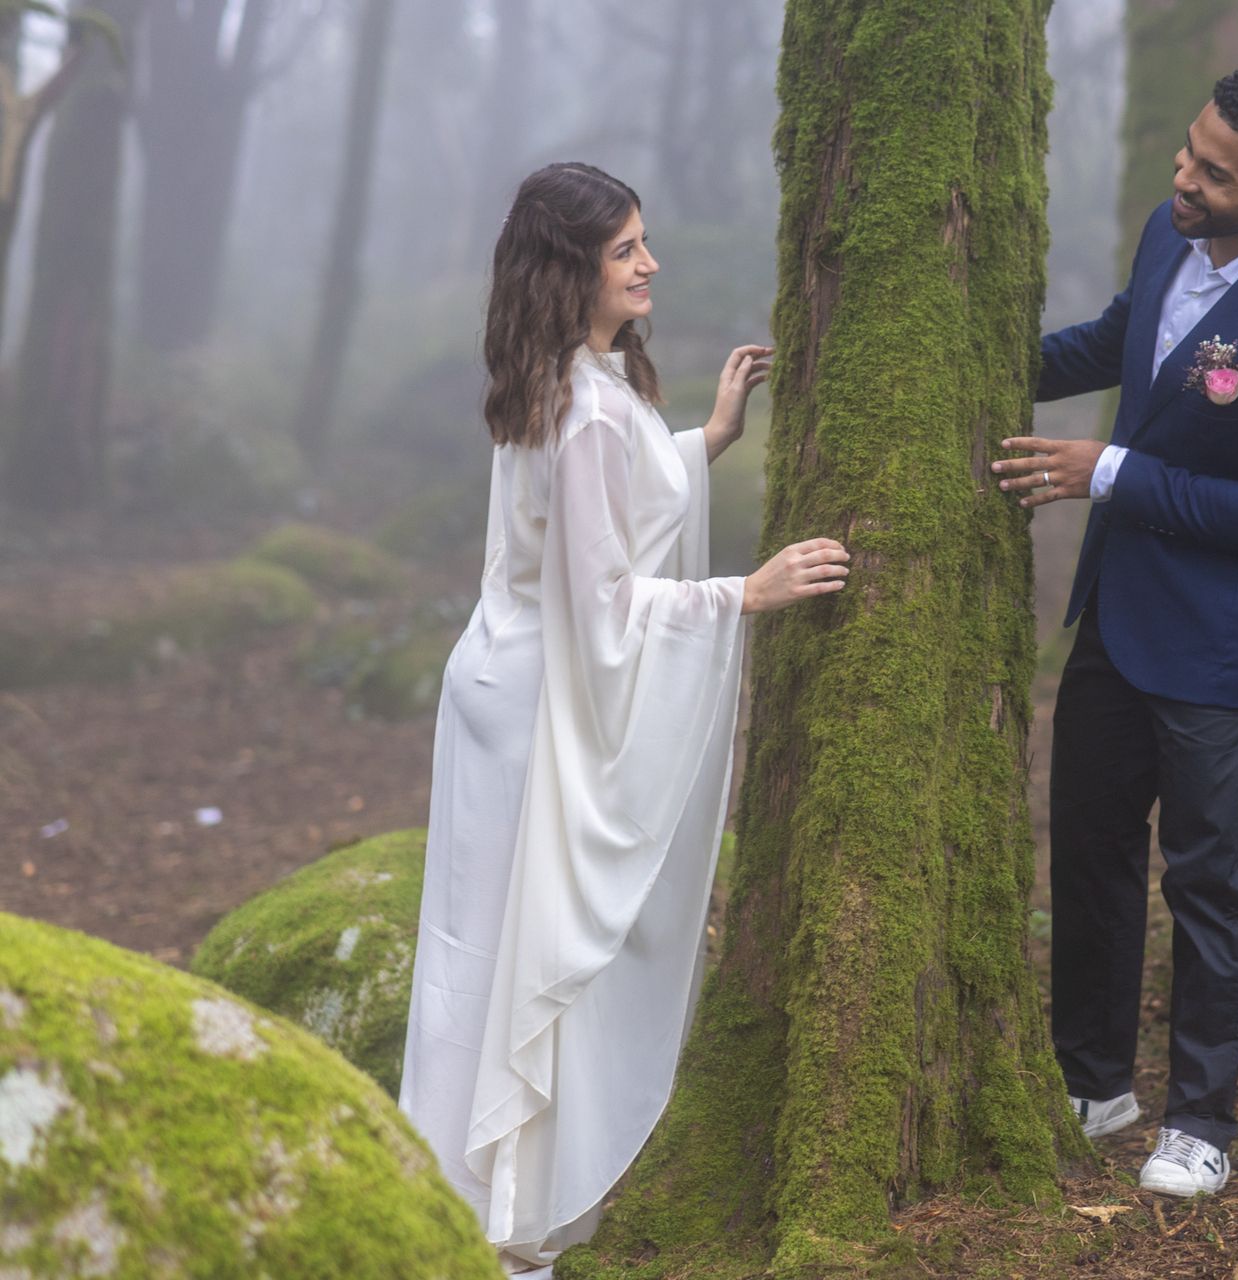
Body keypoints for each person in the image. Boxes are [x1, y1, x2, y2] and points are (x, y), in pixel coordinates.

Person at [396, 162, 850, 1274]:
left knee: (486, 946)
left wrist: (707, 441)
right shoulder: (585, 406)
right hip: (534, 694)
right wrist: (744, 592)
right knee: (510, 949)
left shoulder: (558, 375)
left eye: (644, 242)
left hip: (503, 678)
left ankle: (464, 1198)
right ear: (572, 269)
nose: (650, 263)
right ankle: (501, 1226)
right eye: (625, 250)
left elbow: (598, 518)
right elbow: (597, 598)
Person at [993, 64, 1238, 1197]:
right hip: (1117, 617)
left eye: (1215, 170)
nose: (1186, 176)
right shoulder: (1172, 237)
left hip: (1227, 645)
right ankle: (1091, 1079)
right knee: (1092, 848)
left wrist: (1104, 470)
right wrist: (981, 369)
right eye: (1187, 149)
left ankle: (1199, 1120)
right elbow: (1121, 342)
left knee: (1208, 881)